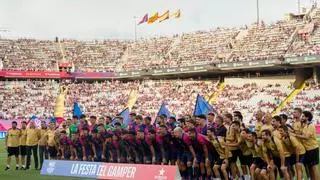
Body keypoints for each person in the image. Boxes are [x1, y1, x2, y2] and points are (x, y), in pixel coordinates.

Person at [293, 111, 319, 180]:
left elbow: (306, 137)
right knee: (310, 167)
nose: (302, 117)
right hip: (307, 149)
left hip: (312, 149)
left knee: (314, 167)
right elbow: (300, 133)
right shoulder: (305, 126)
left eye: (303, 116)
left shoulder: (311, 125)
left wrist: (295, 135)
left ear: (307, 117)